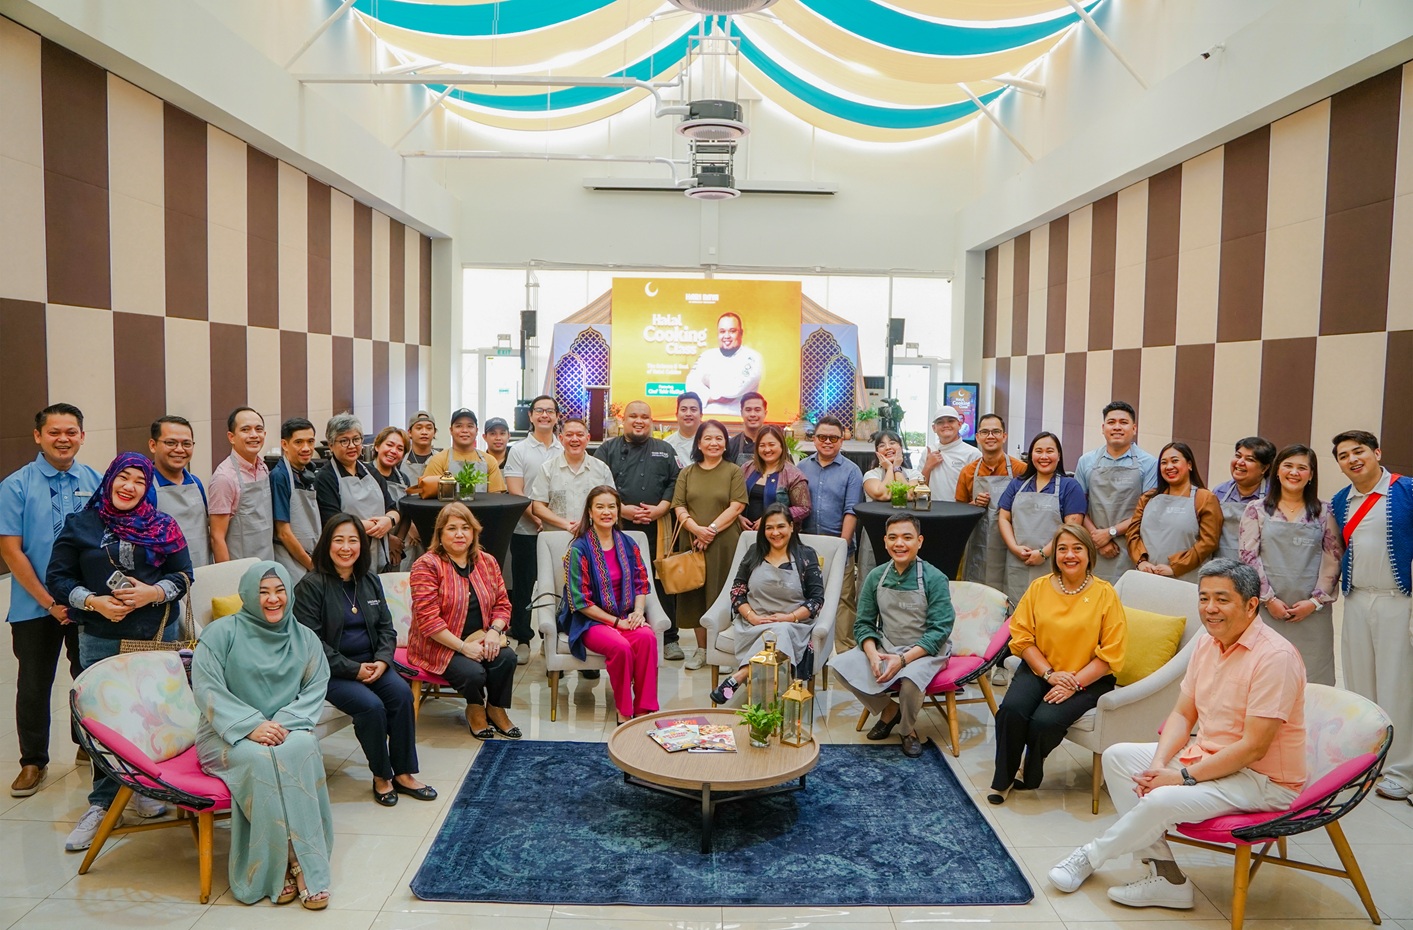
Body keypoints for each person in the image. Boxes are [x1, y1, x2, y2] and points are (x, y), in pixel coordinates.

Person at [1047, 560, 1305, 910]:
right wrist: (1158, 765)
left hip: (1261, 780)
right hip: (1210, 756)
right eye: (1204, 598)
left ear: (1250, 605)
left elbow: (1252, 749)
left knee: (1161, 799)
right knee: (1119, 757)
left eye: (1222, 599)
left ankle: (1090, 856)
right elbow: (1183, 714)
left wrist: (1180, 777)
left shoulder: (1275, 657)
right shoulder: (1208, 644)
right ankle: (1167, 878)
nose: (1210, 608)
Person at [47, 453, 193, 849]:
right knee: (104, 722)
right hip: (100, 636)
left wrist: (152, 593)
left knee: (154, 717)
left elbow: (184, 575)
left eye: (139, 481)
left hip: (155, 637)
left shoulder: (164, 525)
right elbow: (57, 577)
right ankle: (102, 803)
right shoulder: (81, 524)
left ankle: (147, 787)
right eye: (123, 477)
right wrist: (93, 602)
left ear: (148, 488)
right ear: (109, 479)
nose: (129, 486)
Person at [192, 561, 334, 908]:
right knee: (260, 761)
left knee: (304, 746)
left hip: (286, 727)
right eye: (263, 592)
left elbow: (316, 686)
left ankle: (302, 862)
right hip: (225, 732)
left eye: (280, 590)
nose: (273, 599)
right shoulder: (220, 634)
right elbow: (207, 688)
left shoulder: (305, 638)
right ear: (247, 595)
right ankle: (282, 863)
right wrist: (250, 725)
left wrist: (282, 723)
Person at [293, 514, 434, 806]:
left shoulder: (369, 580)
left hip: (373, 664)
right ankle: (382, 776)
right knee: (371, 707)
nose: (346, 548)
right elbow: (310, 644)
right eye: (339, 540)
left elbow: (386, 628)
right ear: (327, 544)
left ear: (362, 545)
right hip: (330, 672)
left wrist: (382, 661)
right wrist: (353, 669)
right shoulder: (310, 586)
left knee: (401, 696)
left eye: (353, 540)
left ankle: (404, 773)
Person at [1, 403, 100, 798]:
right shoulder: (16, 486)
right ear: (38, 436)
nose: (63, 439)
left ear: (82, 436)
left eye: (71, 432)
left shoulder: (96, 481)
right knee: (34, 683)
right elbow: (11, 551)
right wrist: (48, 602)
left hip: (86, 603)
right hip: (34, 605)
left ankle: (86, 745)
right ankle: (33, 761)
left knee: (88, 677)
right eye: (54, 432)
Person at [989, 525, 1125, 804]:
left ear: (1089, 554)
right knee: (1011, 711)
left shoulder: (1105, 594)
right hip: (1041, 668)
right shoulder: (1039, 587)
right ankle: (1003, 779)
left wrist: (1073, 683)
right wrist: (1049, 674)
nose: (1069, 555)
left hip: (1087, 678)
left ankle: (1031, 766)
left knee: (1044, 722)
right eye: (1062, 549)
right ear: (1055, 555)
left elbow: (1111, 653)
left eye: (1077, 548)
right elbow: (1022, 637)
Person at [828, 513, 955, 759]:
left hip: (926, 651)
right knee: (840, 667)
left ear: (919, 541)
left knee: (910, 683)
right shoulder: (876, 577)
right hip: (887, 646)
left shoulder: (935, 578)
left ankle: (907, 731)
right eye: (893, 537)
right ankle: (889, 710)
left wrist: (904, 660)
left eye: (907, 537)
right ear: (885, 541)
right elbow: (863, 624)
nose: (900, 544)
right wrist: (873, 654)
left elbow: (939, 630)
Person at [1330, 430, 1413, 801]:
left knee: (1398, 685)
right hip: (1357, 600)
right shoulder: (1340, 500)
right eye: (1343, 455)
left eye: (1358, 451)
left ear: (1377, 452)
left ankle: (1403, 770)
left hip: (1399, 600)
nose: (1352, 459)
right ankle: (1366, 762)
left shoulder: (1407, 490)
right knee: (1360, 686)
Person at [407, 503, 520, 740]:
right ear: (440, 534)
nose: (460, 534)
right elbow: (428, 621)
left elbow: (503, 604)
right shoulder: (426, 565)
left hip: (480, 637)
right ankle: (475, 708)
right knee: (473, 673)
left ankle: (495, 708)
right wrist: (463, 648)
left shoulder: (487, 561)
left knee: (507, 658)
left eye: (465, 528)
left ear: (474, 532)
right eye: (452, 528)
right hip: (440, 644)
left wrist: (494, 631)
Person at [1238, 444, 1343, 685]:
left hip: (1312, 613)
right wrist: (1269, 600)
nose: (1294, 472)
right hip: (1266, 611)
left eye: (1302, 468)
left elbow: (1333, 559)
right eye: (1288, 466)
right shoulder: (1256, 510)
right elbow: (1248, 557)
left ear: (1311, 474)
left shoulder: (1325, 512)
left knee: (1312, 679)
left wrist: (1314, 602)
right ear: (1277, 470)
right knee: (1264, 676)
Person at [558, 486, 659, 721]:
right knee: (620, 647)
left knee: (647, 638)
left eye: (612, 507)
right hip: (590, 621)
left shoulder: (628, 543)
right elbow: (580, 602)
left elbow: (641, 582)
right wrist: (616, 623)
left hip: (625, 614)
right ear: (590, 512)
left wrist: (638, 612)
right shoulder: (578, 549)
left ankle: (643, 709)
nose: (607, 512)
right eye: (600, 507)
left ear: (618, 511)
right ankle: (624, 710)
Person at [711, 504, 826, 705]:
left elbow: (816, 600)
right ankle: (768, 705)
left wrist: (789, 617)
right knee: (777, 634)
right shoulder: (754, 552)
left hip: (793, 625)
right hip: (753, 625)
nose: (775, 533)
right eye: (769, 528)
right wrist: (752, 617)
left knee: (781, 631)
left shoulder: (806, 555)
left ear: (791, 526)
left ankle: (740, 676)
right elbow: (737, 591)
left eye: (781, 526)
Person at [594, 400, 683, 660]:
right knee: (615, 578)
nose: (639, 421)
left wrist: (662, 507)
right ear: (624, 420)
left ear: (651, 421)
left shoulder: (665, 450)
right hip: (615, 526)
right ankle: (614, 632)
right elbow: (596, 485)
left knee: (661, 580)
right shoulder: (607, 449)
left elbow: (677, 481)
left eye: (645, 416)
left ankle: (669, 638)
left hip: (657, 527)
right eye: (633, 416)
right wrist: (621, 509)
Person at [672, 419, 748, 670]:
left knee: (721, 593)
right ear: (699, 443)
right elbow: (679, 506)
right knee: (695, 594)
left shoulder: (733, 471)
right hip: (692, 542)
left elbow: (737, 506)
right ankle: (702, 650)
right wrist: (696, 530)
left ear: (725, 444)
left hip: (724, 543)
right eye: (708, 438)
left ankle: (722, 650)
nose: (713, 443)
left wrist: (711, 530)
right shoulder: (687, 472)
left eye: (719, 438)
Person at [796, 415, 864, 650]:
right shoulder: (802, 467)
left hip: (839, 545)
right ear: (814, 439)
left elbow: (851, 511)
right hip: (806, 546)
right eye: (822, 437)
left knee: (843, 598)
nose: (827, 442)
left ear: (841, 441)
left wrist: (842, 546)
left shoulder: (852, 471)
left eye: (833, 438)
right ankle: (806, 649)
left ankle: (845, 650)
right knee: (806, 596)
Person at [503, 395, 563, 662]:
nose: (544, 415)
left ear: (557, 416)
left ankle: (553, 636)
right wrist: (536, 517)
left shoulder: (564, 448)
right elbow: (516, 491)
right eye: (539, 410)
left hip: (558, 532)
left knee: (558, 587)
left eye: (550, 411)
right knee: (524, 586)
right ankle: (523, 638)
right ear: (530, 416)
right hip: (525, 529)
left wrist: (552, 521)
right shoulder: (518, 450)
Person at [997, 432, 1088, 606]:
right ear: (1031, 455)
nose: (1044, 456)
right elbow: (1003, 517)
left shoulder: (1070, 487)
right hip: (1017, 563)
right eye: (1038, 451)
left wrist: (1043, 553)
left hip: (1053, 563)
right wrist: (1014, 548)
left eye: (1050, 451)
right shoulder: (1017, 484)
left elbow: (1071, 528)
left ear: (1059, 456)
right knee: (1018, 610)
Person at [1074, 401, 1159, 583]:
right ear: (1103, 428)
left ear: (1134, 428)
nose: (1117, 427)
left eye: (1123, 422)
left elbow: (1147, 511)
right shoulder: (1086, 461)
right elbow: (1078, 506)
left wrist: (1110, 533)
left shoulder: (1149, 463)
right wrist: (1097, 537)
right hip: (1093, 546)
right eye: (1111, 422)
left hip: (1131, 547)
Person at [313, 414, 401, 571]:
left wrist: (389, 521)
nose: (352, 446)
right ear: (331, 445)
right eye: (344, 441)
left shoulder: (372, 472)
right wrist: (377, 526)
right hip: (345, 556)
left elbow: (392, 508)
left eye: (356, 439)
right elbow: (332, 520)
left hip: (379, 552)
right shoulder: (325, 477)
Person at [1127, 442, 1222, 580]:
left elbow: (1208, 542)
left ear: (1189, 465)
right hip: (1147, 576)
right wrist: (1141, 562)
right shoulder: (1147, 498)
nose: (1169, 467)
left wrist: (1175, 567)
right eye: (1164, 463)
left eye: (1175, 461)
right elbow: (1132, 534)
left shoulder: (1204, 498)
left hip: (1186, 580)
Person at [956, 413, 1026, 591]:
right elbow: (959, 511)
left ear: (1004, 436)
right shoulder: (968, 472)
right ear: (977, 437)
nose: (990, 436)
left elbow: (1029, 509)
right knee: (978, 591)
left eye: (996, 432)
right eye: (985, 432)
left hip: (1012, 542)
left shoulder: (1020, 470)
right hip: (978, 542)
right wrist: (974, 505)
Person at [208, 406, 274, 562]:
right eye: (245, 430)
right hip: (240, 567)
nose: (254, 435)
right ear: (231, 437)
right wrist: (228, 574)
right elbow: (217, 537)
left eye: (258, 429)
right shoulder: (224, 478)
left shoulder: (264, 467)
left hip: (267, 562)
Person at [530, 418, 617, 533]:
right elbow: (537, 507)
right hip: (557, 535)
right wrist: (567, 525)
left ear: (587, 438)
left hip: (593, 536)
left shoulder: (602, 469)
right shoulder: (547, 469)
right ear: (561, 438)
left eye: (580, 435)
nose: (574, 439)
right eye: (569, 435)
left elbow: (612, 505)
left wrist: (587, 524)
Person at [148, 415, 211, 567]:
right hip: (167, 577)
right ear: (153, 445)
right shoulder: (145, 487)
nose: (179, 449)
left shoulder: (196, 483)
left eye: (186, 444)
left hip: (204, 571)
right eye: (171, 443)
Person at [271, 417, 321, 583]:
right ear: (284, 445)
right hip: (291, 562)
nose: (306, 448)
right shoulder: (280, 476)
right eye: (298, 442)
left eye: (310, 441)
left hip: (311, 556)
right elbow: (283, 533)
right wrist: (313, 566)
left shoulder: (306, 473)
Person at [686, 312, 764, 417]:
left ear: (741, 333)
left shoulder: (753, 357)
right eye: (722, 331)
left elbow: (733, 390)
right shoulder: (706, 356)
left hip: (737, 419)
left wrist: (708, 381)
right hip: (706, 419)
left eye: (732, 331)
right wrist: (712, 396)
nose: (726, 336)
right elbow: (690, 385)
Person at [1211, 437, 1276, 560]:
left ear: (1264, 468)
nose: (1240, 462)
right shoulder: (1220, 492)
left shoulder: (1273, 496)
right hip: (1220, 564)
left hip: (1256, 566)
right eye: (1238, 456)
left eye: (1249, 459)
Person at [740, 424, 810, 531]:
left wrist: (771, 518)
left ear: (781, 445)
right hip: (745, 532)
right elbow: (732, 499)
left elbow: (804, 508)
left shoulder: (793, 474)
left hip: (778, 534)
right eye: (762, 445)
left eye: (771, 444)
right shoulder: (746, 468)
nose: (767, 449)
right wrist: (738, 517)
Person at [421, 408, 507, 491]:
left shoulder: (490, 461)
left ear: (476, 431)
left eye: (470, 426)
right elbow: (430, 495)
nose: (465, 430)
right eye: (459, 426)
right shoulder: (438, 460)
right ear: (451, 430)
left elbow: (496, 496)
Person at [921, 405, 981, 503]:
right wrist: (928, 466)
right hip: (932, 509)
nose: (946, 425)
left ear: (959, 424)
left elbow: (979, 490)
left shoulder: (973, 453)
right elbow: (918, 489)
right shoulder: (928, 451)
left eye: (951, 421)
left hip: (961, 510)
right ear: (934, 428)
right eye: (940, 422)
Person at [862, 430, 921, 501]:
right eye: (882, 445)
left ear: (901, 447)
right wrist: (890, 468)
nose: (888, 447)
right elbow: (884, 495)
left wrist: (896, 468)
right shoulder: (871, 475)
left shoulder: (914, 474)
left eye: (892, 443)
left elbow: (909, 495)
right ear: (877, 452)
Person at [725, 392, 768, 466]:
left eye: (757, 410)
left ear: (765, 413)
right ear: (741, 413)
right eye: (748, 410)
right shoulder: (731, 445)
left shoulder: (774, 444)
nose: (752, 414)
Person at [371, 426, 414, 499]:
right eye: (389, 445)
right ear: (377, 446)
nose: (393, 451)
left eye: (400, 449)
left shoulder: (404, 480)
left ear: (403, 456)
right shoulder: (363, 474)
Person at [401, 411, 439, 483]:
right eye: (419, 428)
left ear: (434, 433)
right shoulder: (400, 458)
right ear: (409, 432)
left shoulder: (441, 459)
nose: (424, 432)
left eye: (429, 428)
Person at [666, 392, 702, 467]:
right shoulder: (667, 444)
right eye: (683, 409)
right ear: (676, 415)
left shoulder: (710, 443)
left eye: (693, 409)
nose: (688, 414)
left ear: (701, 415)